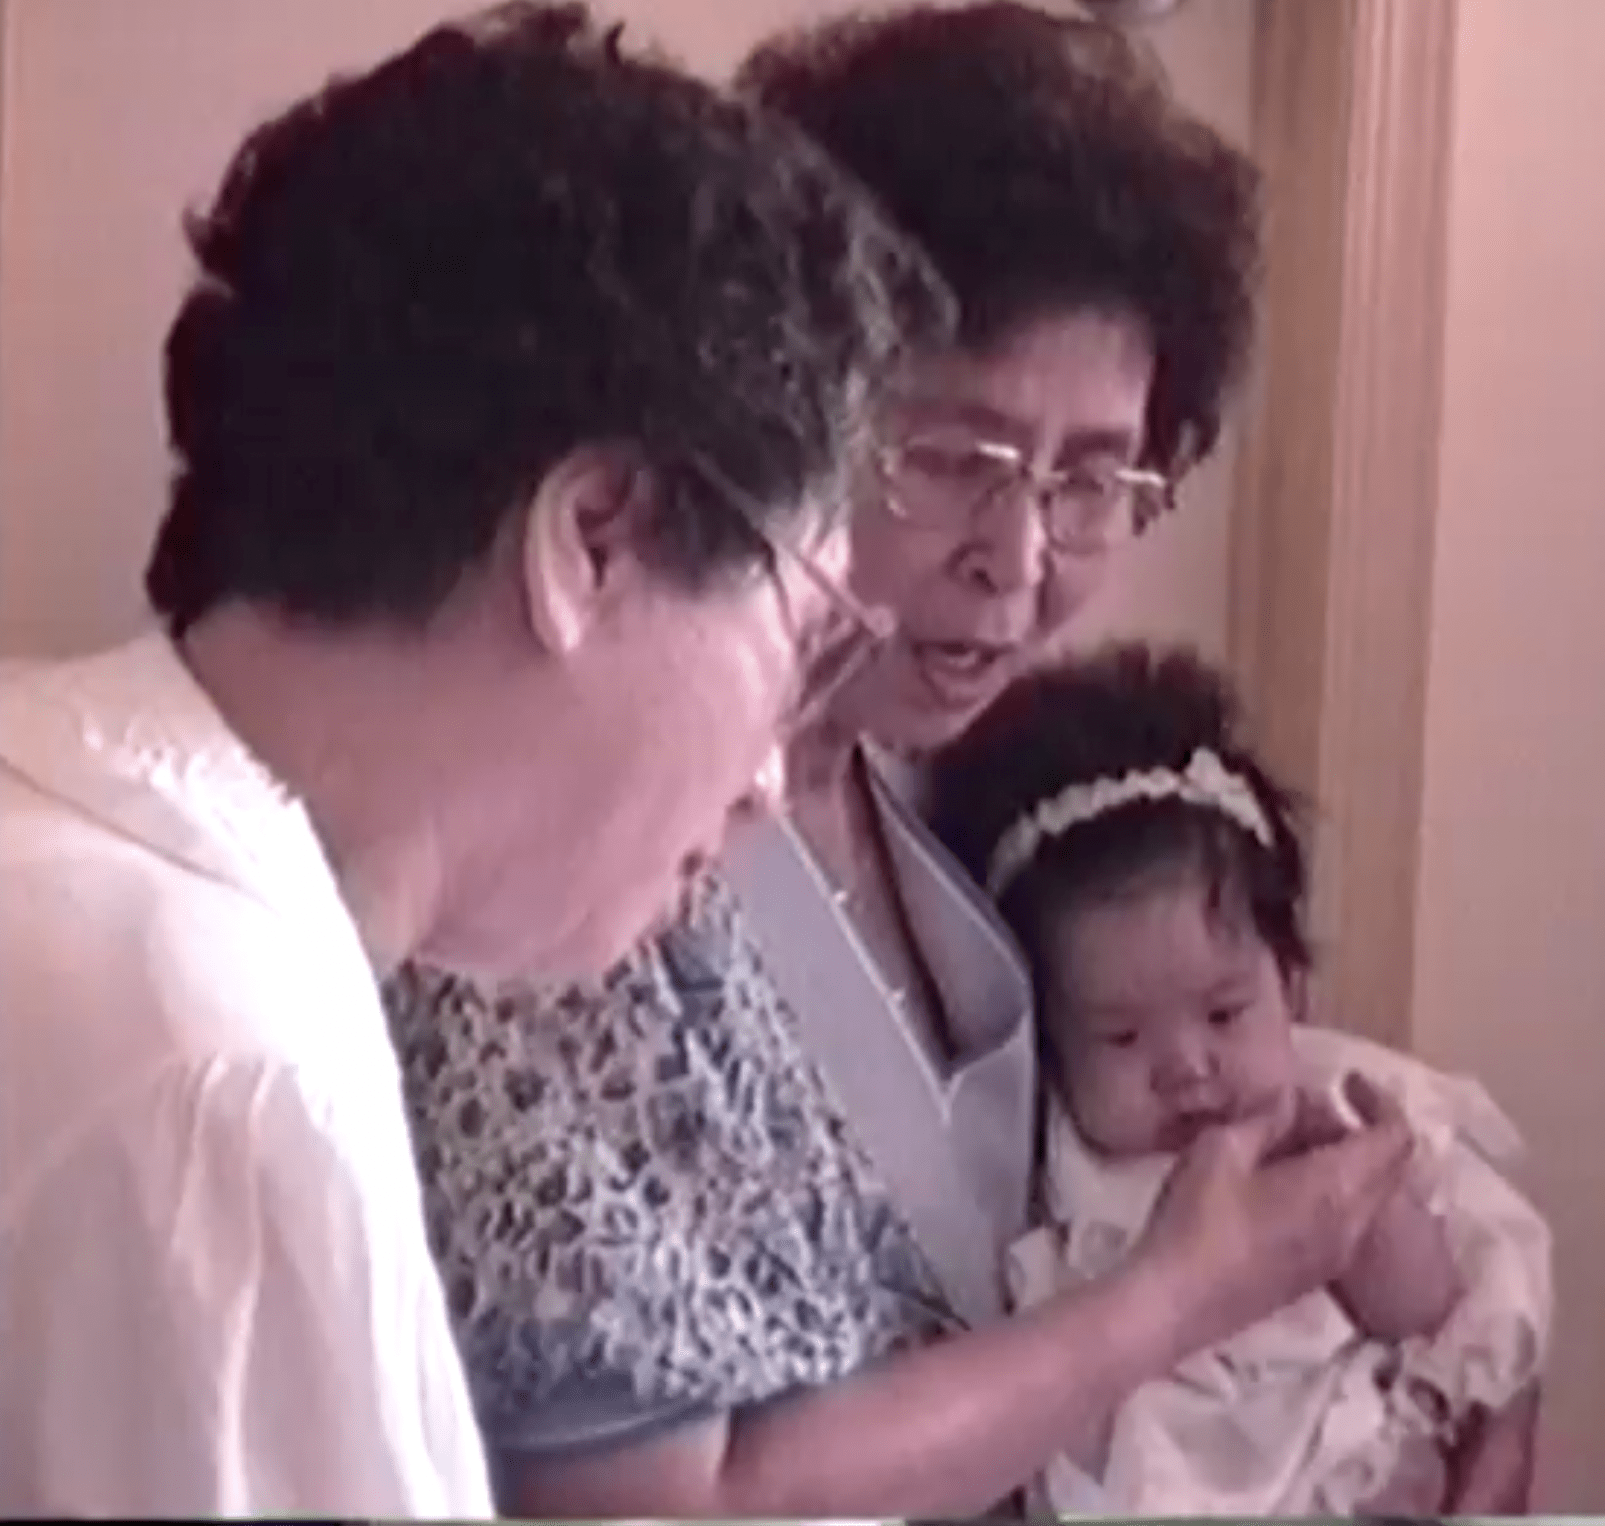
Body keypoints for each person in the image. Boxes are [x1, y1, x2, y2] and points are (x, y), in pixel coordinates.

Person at [384, 3, 1417, 1518]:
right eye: (952, 459)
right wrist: (1172, 1304)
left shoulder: (965, 784)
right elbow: (658, 1503)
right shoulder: (576, 850)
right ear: (780, 403)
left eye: (1091, 479)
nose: (1020, 560)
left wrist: (1468, 1338)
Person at [0, 0, 944, 1513]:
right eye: (806, 624)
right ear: (595, 539)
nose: (770, 776)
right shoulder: (225, 1074)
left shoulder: (65, 819)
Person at [926, 641, 1555, 1516]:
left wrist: (1380, 1225)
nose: (1186, 1067)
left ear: (1291, 983)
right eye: (1122, 1037)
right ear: (1048, 1044)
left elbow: (1442, 1325)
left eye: (1225, 1013)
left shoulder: (1332, 1109)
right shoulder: (1061, 1197)